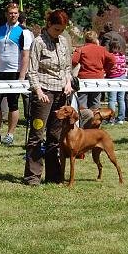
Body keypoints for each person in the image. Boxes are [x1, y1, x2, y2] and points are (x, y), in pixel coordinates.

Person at [24, 10, 73, 186]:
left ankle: (54, 176)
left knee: (55, 137)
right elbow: (32, 71)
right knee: (37, 135)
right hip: (43, 94)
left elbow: (67, 67)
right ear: (48, 25)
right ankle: (32, 177)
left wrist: (68, 82)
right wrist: (39, 92)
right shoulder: (38, 42)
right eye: (56, 29)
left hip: (61, 94)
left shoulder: (64, 42)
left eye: (61, 30)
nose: (59, 33)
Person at [0, 3, 29, 145]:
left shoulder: (24, 32)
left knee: (13, 104)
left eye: (15, 13)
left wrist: (22, 76)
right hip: (0, 72)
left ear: (18, 14)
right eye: (11, 13)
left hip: (15, 72)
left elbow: (25, 56)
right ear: (6, 14)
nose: (13, 15)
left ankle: (10, 134)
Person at [72, 30, 114, 112]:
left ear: (85, 39)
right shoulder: (102, 49)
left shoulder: (81, 49)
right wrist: (105, 69)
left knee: (82, 103)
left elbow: (73, 61)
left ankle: (83, 121)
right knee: (95, 103)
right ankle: (94, 122)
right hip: (98, 79)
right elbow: (112, 60)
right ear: (95, 39)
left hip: (84, 79)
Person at [106, 41, 128, 124]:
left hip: (112, 78)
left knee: (112, 99)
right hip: (122, 77)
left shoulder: (110, 56)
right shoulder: (123, 56)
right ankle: (121, 118)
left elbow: (108, 67)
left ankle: (111, 118)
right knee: (121, 99)